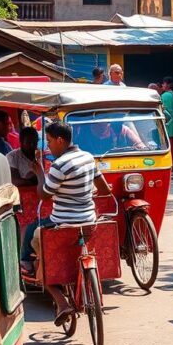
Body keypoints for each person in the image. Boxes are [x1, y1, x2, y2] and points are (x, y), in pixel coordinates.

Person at [21, 122, 112, 324]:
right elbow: (104, 189)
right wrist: (85, 193)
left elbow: (44, 195)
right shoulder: (88, 158)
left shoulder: (59, 165)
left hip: (61, 225)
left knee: (36, 249)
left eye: (50, 141)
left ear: (60, 140)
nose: (49, 147)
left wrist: (38, 173)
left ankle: (61, 301)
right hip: (89, 223)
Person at [161, 76, 173, 170]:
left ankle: (172, 163)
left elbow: (164, 110)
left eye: (164, 83)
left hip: (168, 124)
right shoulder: (172, 94)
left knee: (169, 145)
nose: (162, 85)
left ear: (169, 85)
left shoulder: (165, 96)